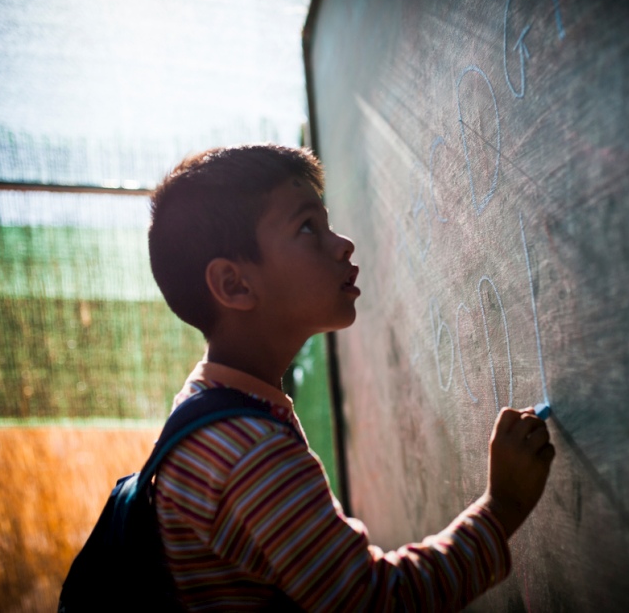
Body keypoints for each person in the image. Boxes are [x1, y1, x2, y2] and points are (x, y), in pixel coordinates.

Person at [147, 144, 555, 611]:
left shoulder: (210, 406)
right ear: (235, 285)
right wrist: (501, 508)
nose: (342, 244)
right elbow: (378, 602)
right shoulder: (248, 451)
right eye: (307, 228)